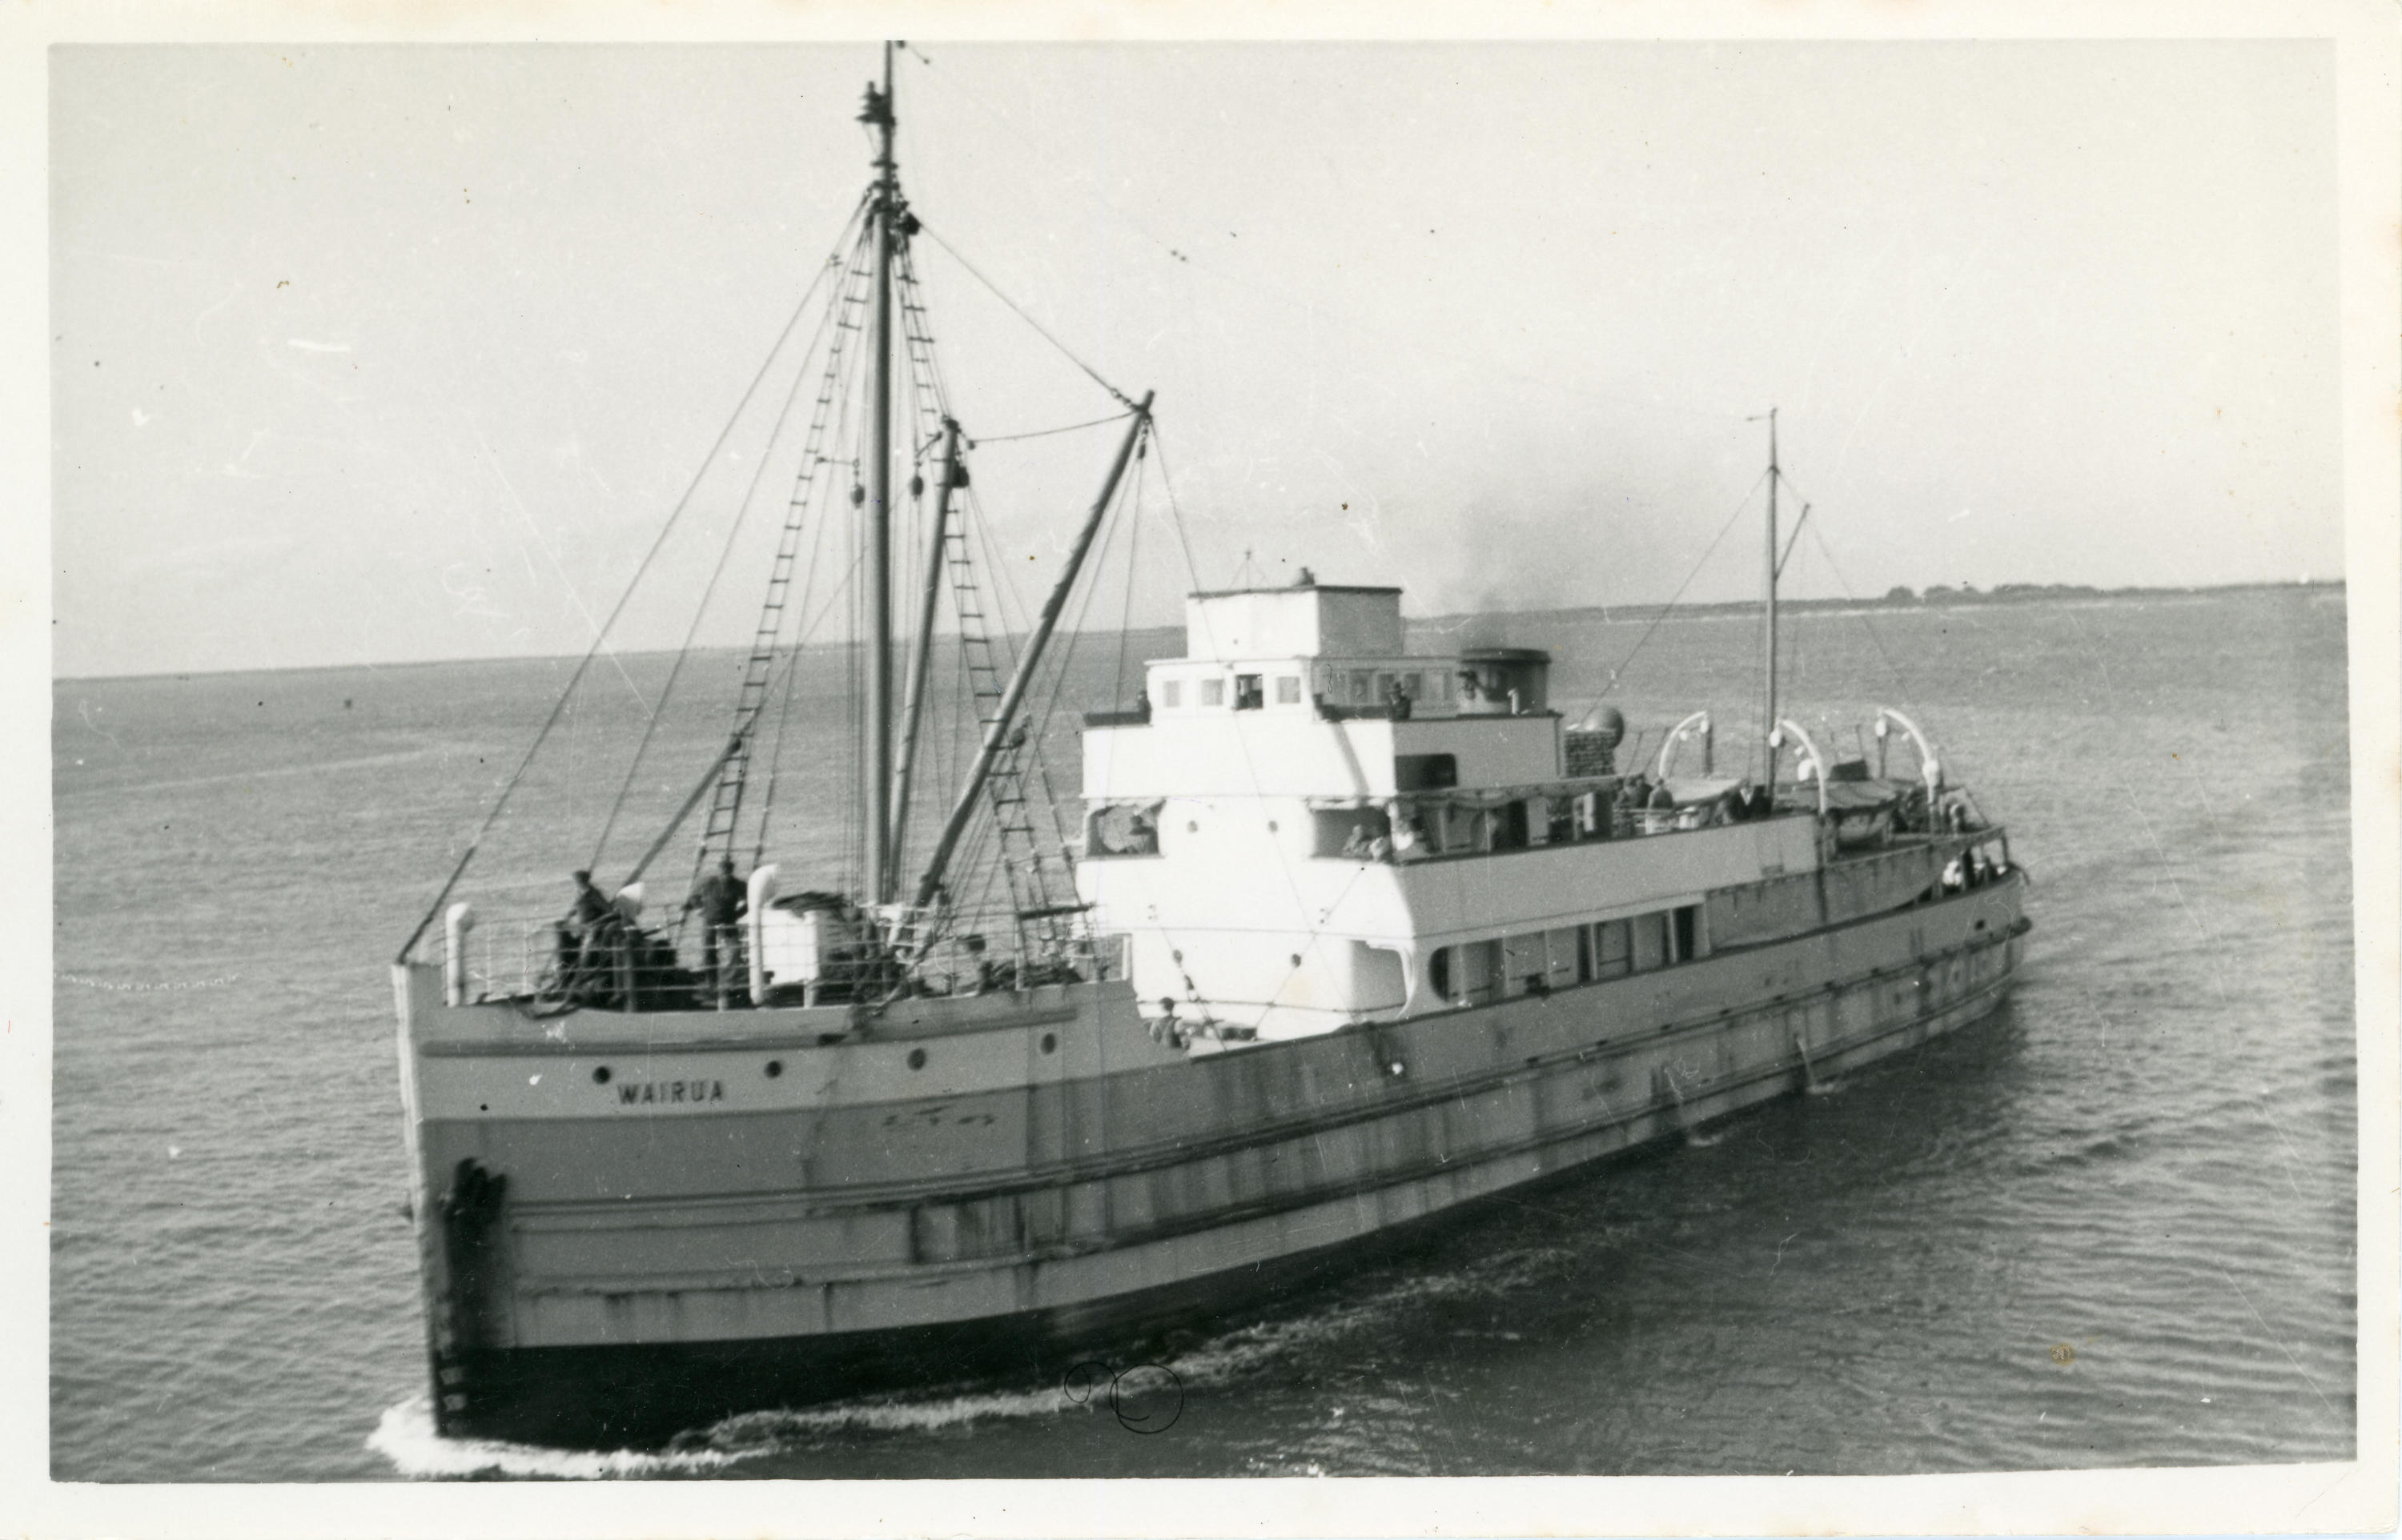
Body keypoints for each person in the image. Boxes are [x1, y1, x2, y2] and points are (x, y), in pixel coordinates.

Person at [684, 856, 748, 994]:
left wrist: (738, 914)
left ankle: (727, 978)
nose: (725, 873)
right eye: (723, 870)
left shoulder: (739, 885)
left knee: (735, 949)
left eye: (728, 870)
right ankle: (711, 982)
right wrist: (700, 910)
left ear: (731, 870)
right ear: (719, 870)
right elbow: (694, 897)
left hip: (729, 920)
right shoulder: (709, 882)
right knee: (709, 951)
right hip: (710, 920)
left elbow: (749, 901)